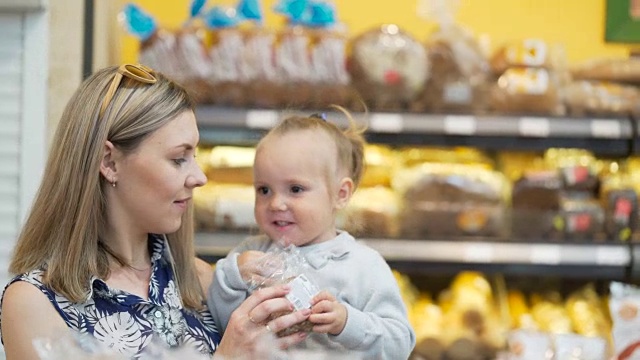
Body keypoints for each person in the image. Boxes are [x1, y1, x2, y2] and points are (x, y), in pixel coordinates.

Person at [0, 64, 310, 360]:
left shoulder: (197, 279)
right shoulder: (35, 303)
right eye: (178, 159)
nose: (199, 177)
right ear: (109, 162)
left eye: (195, 156)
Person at [208, 111, 416, 359]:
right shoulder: (253, 256)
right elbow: (219, 323)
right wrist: (232, 276)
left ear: (340, 194)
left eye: (295, 189)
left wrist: (347, 322)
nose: (275, 203)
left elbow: (400, 342)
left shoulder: (363, 266)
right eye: (264, 190)